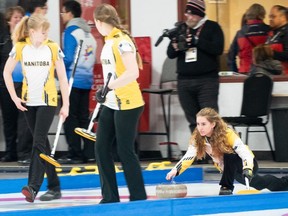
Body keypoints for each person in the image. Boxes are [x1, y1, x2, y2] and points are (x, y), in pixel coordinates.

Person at [3, 14, 69, 202]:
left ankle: (32, 187)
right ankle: (54, 186)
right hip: (28, 102)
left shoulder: (52, 47)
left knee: (38, 141)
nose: (47, 34)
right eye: (43, 31)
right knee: (43, 144)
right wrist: (14, 97)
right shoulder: (21, 47)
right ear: (32, 32)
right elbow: (6, 72)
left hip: (47, 101)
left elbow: (63, 78)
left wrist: (66, 104)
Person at [93, 3, 147, 204]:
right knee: (101, 147)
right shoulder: (109, 41)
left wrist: (108, 87)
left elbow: (133, 72)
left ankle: (139, 197)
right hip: (112, 102)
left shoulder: (121, 41)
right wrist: (106, 92)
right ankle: (109, 197)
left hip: (129, 102)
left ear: (99, 22)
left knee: (125, 150)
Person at [166, 107, 288, 195]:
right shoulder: (197, 137)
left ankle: (226, 186)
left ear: (213, 124)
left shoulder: (227, 133)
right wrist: (175, 170)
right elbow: (189, 156)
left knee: (229, 154)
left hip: (247, 164)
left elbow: (243, 151)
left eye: (203, 124)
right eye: (198, 124)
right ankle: (284, 183)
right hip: (229, 170)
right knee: (259, 183)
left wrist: (248, 169)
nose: (200, 128)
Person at [167, 0, 224, 134]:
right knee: (193, 120)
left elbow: (218, 49)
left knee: (209, 119)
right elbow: (170, 54)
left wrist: (197, 41)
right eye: (187, 13)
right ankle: (200, 152)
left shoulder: (213, 27)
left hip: (206, 80)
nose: (189, 17)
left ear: (200, 14)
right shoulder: (181, 28)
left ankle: (215, 152)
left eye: (193, 15)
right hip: (184, 81)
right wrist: (175, 47)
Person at [59, 0, 97, 164]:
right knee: (83, 117)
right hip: (87, 80)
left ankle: (74, 153)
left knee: (69, 117)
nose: (62, 15)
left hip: (72, 80)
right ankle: (89, 152)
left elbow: (67, 59)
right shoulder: (88, 33)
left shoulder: (70, 32)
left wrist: (56, 68)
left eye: (63, 12)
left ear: (69, 13)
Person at [0, 6, 25, 162]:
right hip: (5, 85)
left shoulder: (25, 40)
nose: (18, 20)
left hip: (23, 84)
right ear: (9, 20)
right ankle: (11, 151)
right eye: (15, 17)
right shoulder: (4, 39)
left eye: (20, 17)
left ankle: (23, 151)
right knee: (9, 119)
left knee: (24, 120)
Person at [227, 3, 270, 73]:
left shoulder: (240, 33)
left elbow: (230, 56)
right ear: (262, 15)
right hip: (266, 71)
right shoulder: (269, 30)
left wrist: (235, 73)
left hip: (245, 71)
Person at [266, 5, 288, 74]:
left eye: (273, 16)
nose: (270, 19)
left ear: (283, 17)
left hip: (284, 78)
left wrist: (270, 53)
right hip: (272, 75)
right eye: (270, 17)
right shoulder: (271, 33)